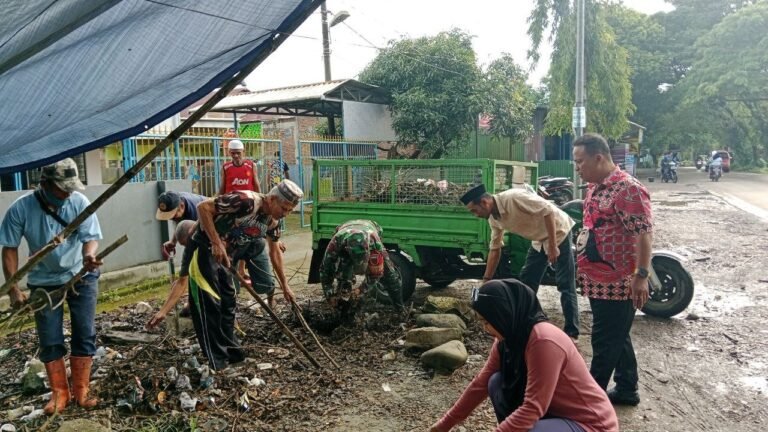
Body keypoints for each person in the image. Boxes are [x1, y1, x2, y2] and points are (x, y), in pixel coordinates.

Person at [430, 280, 618, 432]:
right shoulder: (508, 338)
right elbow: (480, 384)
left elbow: (533, 407)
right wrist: (443, 425)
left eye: (487, 322)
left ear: (503, 315)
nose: (485, 329)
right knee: (495, 381)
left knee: (527, 426)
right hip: (555, 415)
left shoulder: (543, 341)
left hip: (591, 425)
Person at [0, 158, 103, 415]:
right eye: (62, 188)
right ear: (44, 184)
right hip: (43, 283)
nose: (67, 193)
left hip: (81, 276)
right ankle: (59, 392)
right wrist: (14, 288)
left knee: (85, 331)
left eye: (71, 187)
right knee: (49, 337)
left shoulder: (79, 202)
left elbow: (90, 238)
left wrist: (89, 256)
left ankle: (81, 388)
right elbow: (9, 249)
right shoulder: (21, 208)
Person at [572, 133, 652, 406]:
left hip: (619, 283)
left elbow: (644, 234)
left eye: (580, 162)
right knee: (617, 334)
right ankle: (627, 388)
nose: (577, 168)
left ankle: (588, 403)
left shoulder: (628, 189)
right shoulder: (595, 187)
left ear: (599, 157)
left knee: (604, 341)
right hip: (597, 280)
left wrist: (641, 276)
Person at [190, 180, 302, 370]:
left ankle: (233, 353)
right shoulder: (245, 201)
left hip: (227, 258)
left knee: (228, 303)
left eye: (290, 211)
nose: (285, 214)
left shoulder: (272, 221)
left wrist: (285, 286)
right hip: (204, 250)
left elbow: (274, 252)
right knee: (210, 304)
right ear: (273, 199)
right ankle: (217, 361)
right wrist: (216, 242)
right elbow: (203, 208)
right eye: (284, 208)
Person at [460, 184, 580, 341]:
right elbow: (495, 249)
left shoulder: (513, 198)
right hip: (538, 239)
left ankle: (572, 332)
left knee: (565, 283)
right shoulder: (494, 219)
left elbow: (548, 211)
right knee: (527, 282)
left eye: (474, 210)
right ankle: (525, 324)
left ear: (484, 202)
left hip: (558, 233)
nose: (475, 215)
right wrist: (486, 279)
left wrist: (552, 245)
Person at [318, 219, 403, 315]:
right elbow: (325, 270)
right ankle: (342, 307)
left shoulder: (374, 243)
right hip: (345, 238)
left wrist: (361, 290)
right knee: (344, 275)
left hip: (370, 228)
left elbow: (377, 274)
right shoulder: (336, 242)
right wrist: (329, 295)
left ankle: (400, 309)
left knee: (390, 274)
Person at [146, 220, 196, 329]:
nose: (187, 247)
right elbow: (182, 282)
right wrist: (163, 312)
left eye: (188, 243)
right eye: (184, 245)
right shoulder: (189, 251)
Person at [155, 190, 206, 257]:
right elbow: (179, 225)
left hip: (211, 217)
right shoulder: (175, 200)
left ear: (182, 206)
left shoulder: (194, 212)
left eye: (173, 216)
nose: (171, 219)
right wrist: (173, 241)